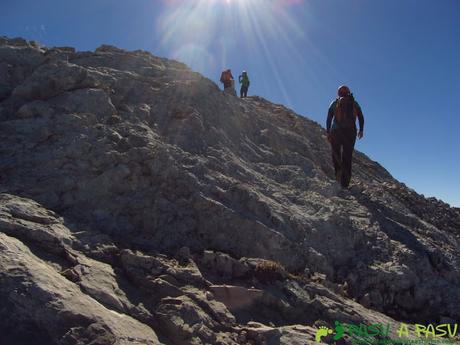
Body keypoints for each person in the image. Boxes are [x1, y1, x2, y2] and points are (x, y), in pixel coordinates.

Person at [326, 85, 364, 188]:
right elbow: (361, 116)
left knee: (336, 154)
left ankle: (337, 174)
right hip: (350, 132)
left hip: (336, 131)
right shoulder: (354, 103)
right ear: (348, 92)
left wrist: (328, 132)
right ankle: (345, 183)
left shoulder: (334, 103)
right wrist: (361, 130)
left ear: (338, 93)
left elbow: (329, 118)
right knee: (347, 157)